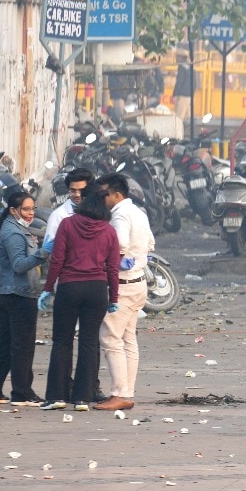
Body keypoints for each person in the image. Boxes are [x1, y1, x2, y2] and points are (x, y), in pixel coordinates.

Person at [38, 185, 119, 412]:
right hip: (97, 289)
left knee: (62, 341)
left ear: (83, 202)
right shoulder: (109, 231)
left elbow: (57, 260)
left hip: (69, 287)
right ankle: (82, 398)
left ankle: (56, 396)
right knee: (89, 342)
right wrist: (113, 297)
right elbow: (112, 268)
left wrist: (48, 288)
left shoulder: (67, 224)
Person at [0, 191, 50, 407]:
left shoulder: (12, 227)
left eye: (32, 209)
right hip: (18, 295)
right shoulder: (13, 233)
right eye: (26, 209)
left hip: (5, 292)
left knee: (2, 343)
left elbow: (32, 234)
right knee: (23, 345)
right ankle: (22, 393)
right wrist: (43, 253)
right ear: (13, 210)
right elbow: (19, 265)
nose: (30, 213)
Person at [96, 173, 155, 411]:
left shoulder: (120, 214)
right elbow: (150, 244)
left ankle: (119, 393)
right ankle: (127, 393)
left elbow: (119, 245)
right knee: (128, 338)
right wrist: (137, 258)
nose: (102, 199)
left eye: (104, 194)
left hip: (123, 284)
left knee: (110, 338)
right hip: (138, 282)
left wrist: (113, 263)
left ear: (117, 195)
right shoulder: (138, 212)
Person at [44, 168, 95, 243]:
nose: (77, 195)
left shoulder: (98, 211)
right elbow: (48, 246)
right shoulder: (58, 215)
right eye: (73, 191)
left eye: (81, 190)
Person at [173, 51, 197, 124]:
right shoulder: (191, 68)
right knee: (188, 120)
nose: (176, 58)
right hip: (190, 97)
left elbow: (179, 82)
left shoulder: (181, 67)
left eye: (177, 56)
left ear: (181, 58)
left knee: (178, 119)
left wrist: (175, 94)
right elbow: (195, 83)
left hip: (182, 96)